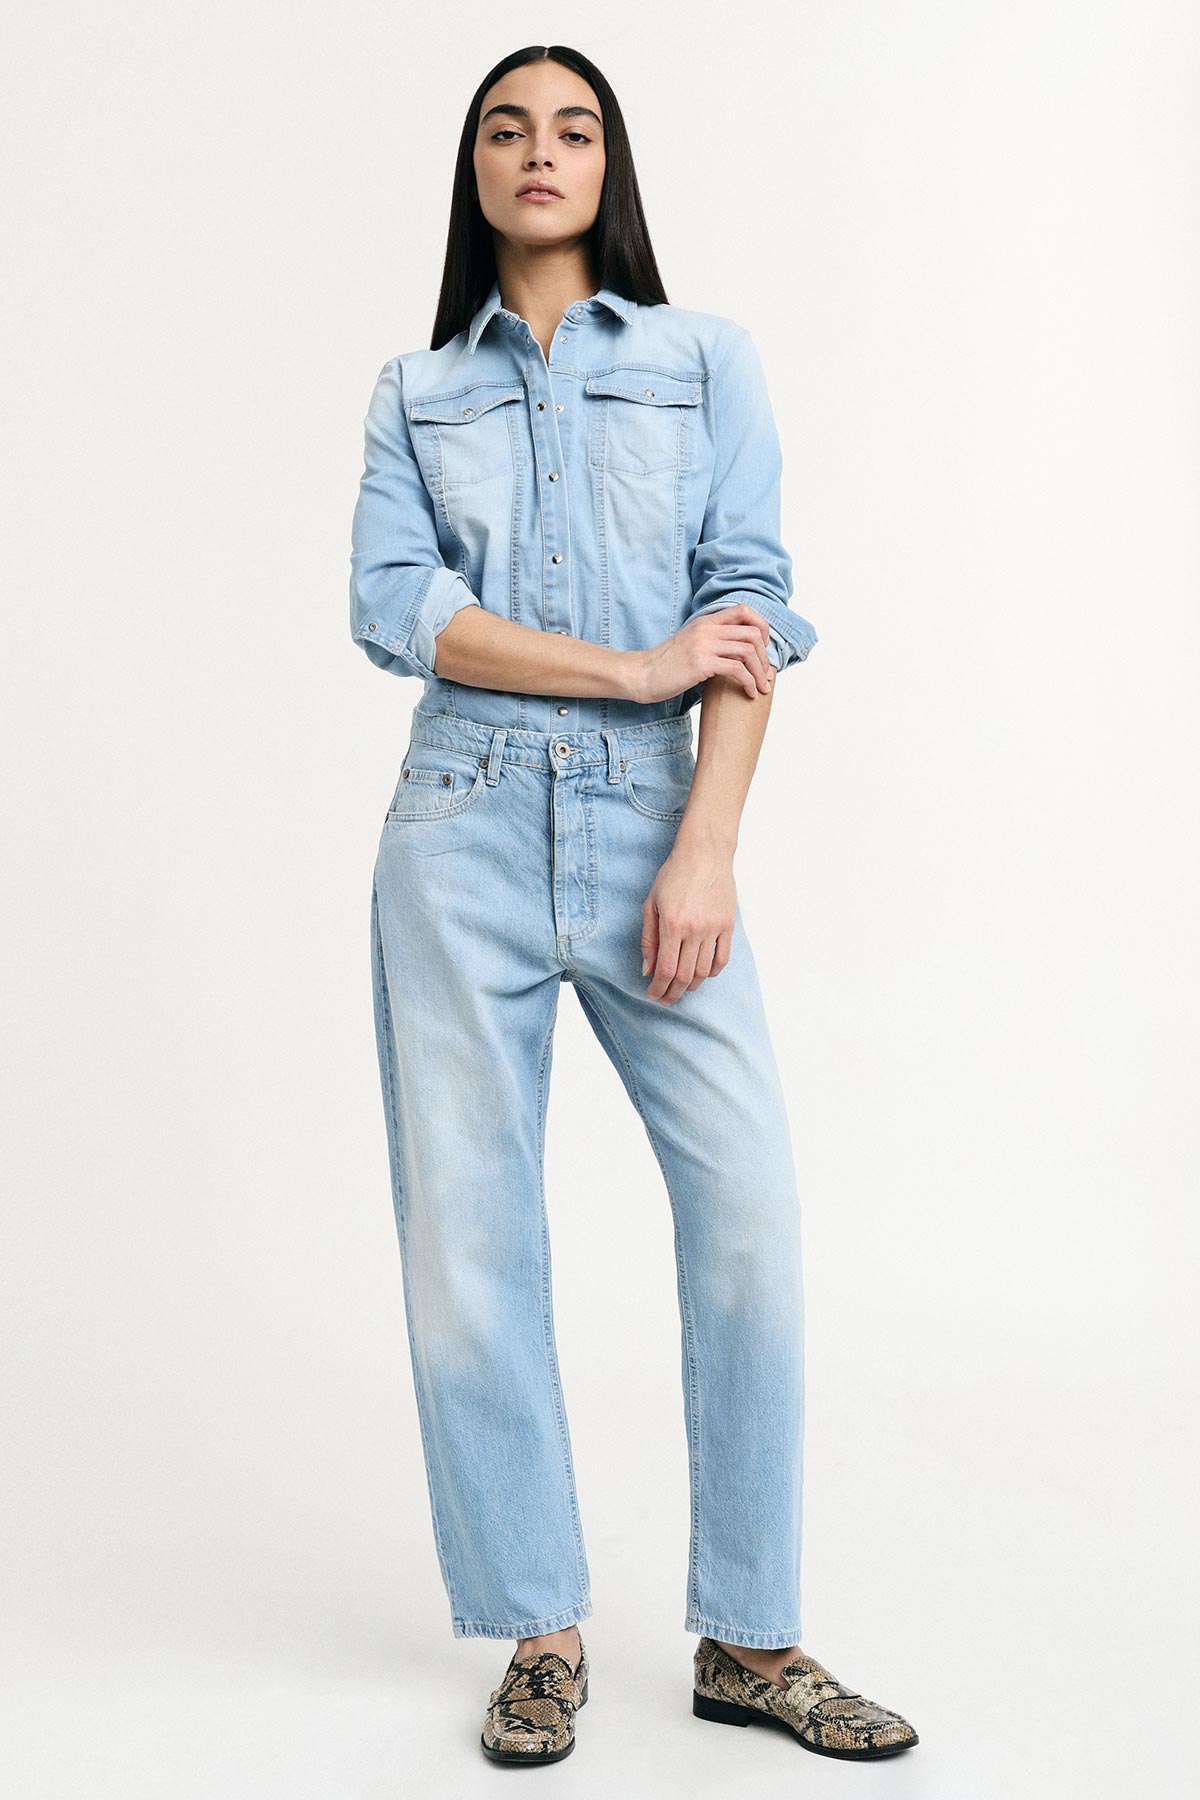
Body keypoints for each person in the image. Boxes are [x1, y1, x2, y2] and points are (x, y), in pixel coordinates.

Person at [349, 43, 919, 1767]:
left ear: (613, 165)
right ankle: (541, 1631)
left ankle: (752, 1636)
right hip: (456, 830)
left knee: (745, 1210)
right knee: (471, 1253)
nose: (540, 152)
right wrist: (630, 665)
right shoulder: (413, 389)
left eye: (573, 126)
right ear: (474, 171)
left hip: (655, 816)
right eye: (506, 129)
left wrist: (708, 845)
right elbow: (395, 607)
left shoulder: (701, 361)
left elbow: (747, 610)